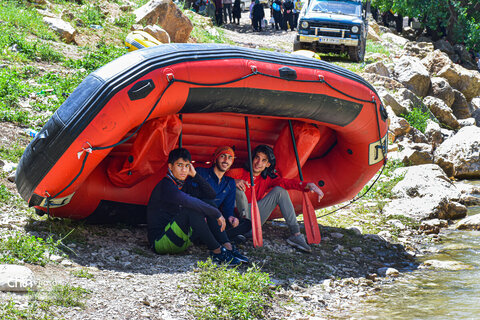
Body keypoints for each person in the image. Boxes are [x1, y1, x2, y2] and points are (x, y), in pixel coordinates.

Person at [147, 148, 246, 265]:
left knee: (208, 202)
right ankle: (218, 252)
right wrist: (217, 213)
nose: (184, 170)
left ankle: (227, 246)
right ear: (170, 166)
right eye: (179, 165)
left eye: (187, 166)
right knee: (192, 209)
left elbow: (211, 195)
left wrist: (195, 175)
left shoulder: (182, 184)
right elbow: (188, 201)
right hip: (160, 242)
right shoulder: (166, 186)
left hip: (180, 239)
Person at [227, 145, 324, 253]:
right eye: (257, 158)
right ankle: (240, 230)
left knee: (279, 191)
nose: (259, 163)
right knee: (238, 191)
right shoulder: (235, 173)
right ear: (252, 158)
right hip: (235, 219)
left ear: (268, 165)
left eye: (264, 160)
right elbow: (217, 182)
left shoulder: (267, 179)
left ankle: (296, 234)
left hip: (254, 219)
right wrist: (232, 182)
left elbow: (286, 183)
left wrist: (307, 185)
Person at [196, 146, 251, 245]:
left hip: (215, 219)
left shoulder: (230, 183)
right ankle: (223, 237)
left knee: (246, 224)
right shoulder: (201, 173)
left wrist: (231, 218)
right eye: (223, 156)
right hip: (198, 218)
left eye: (230, 158)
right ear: (216, 158)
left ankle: (211, 238)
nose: (226, 160)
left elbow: (227, 210)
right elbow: (190, 197)